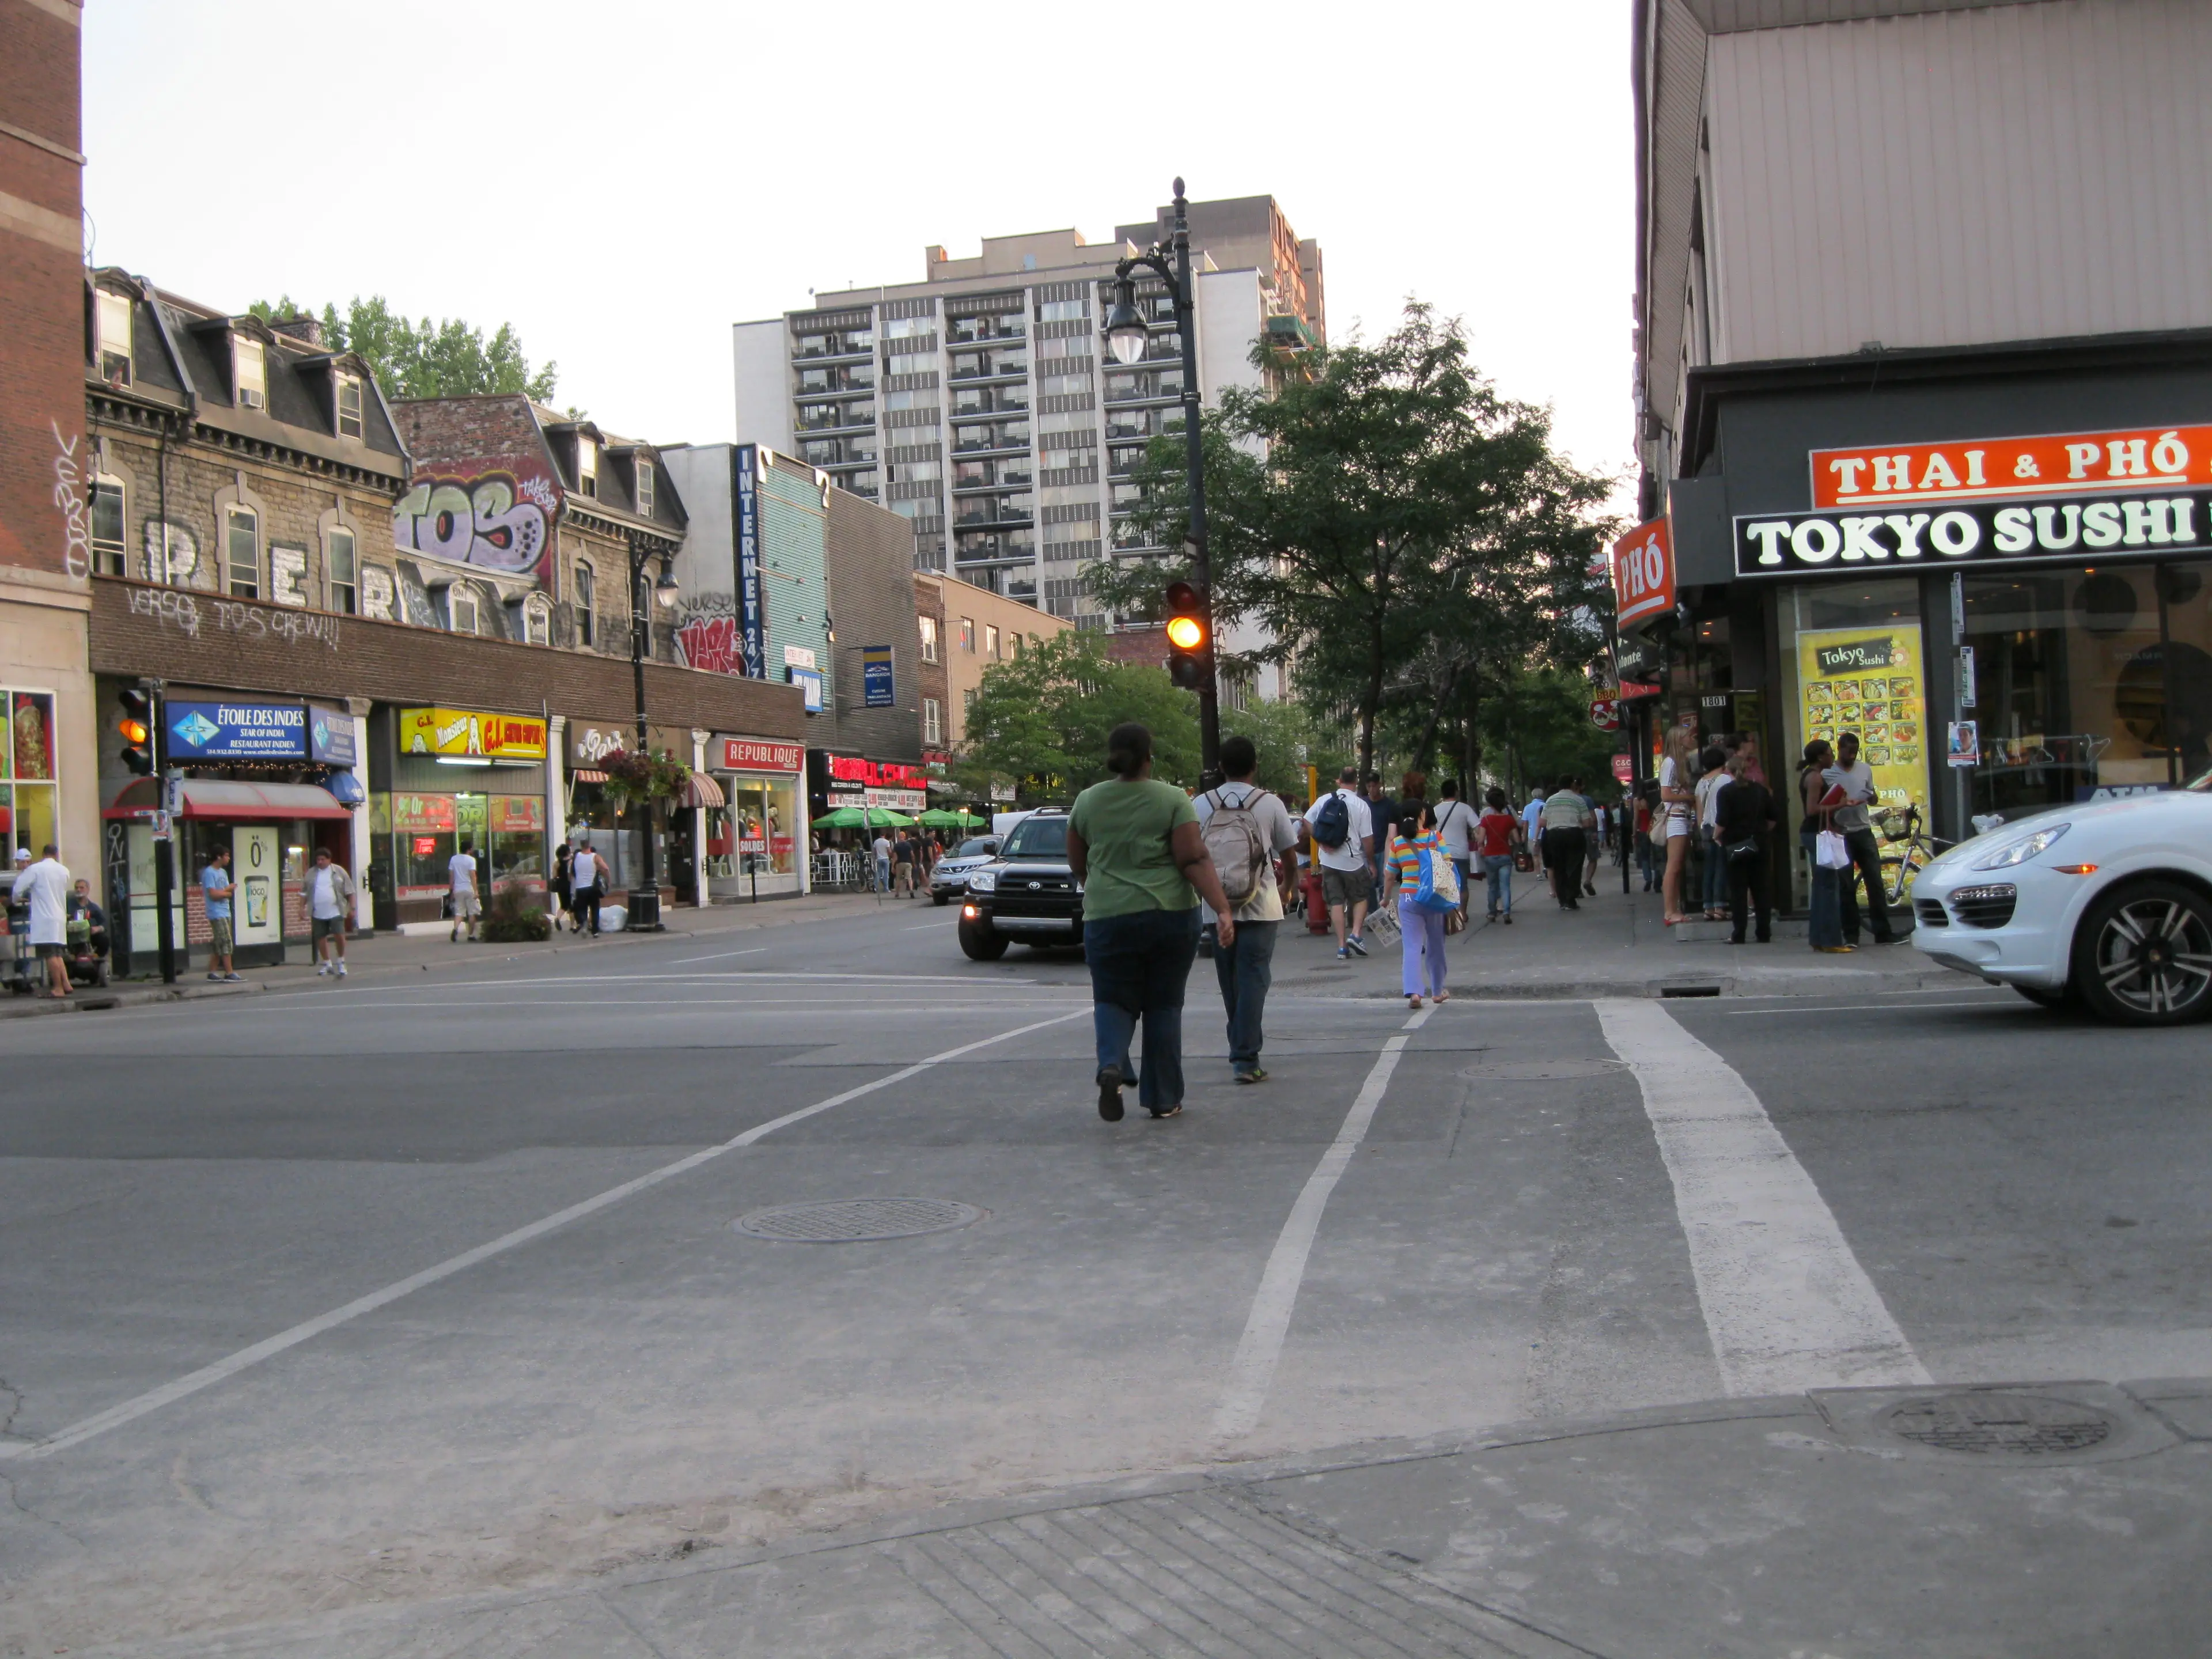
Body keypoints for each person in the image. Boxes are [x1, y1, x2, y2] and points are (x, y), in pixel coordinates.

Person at [1067, 722, 1238, 1122]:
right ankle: (1163, 1099)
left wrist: (1102, 888)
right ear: (1149, 758)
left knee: (1112, 998)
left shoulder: (1087, 802)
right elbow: (1193, 858)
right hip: (1169, 916)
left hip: (1107, 917)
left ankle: (1111, 1062)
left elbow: (1078, 861)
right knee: (1163, 1004)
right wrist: (1223, 909)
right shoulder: (1172, 799)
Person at [1194, 734, 1299, 1083]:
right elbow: (1288, 854)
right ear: (1255, 766)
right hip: (1261, 904)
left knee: (1231, 981)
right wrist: (1288, 886)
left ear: (1221, 768)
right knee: (1254, 978)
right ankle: (1245, 1056)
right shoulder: (1270, 804)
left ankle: (1240, 1043)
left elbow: (1194, 856)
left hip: (1215, 905)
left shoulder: (1201, 804)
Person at [1825, 730, 1900, 945]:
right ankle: (1851, 934)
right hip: (1842, 832)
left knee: (1875, 882)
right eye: (1848, 752)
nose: (1852, 756)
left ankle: (1882, 932)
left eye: (1855, 752)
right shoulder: (1828, 773)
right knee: (1846, 886)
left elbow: (1872, 795)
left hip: (1863, 830)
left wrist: (1872, 797)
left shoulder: (1865, 769)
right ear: (1839, 749)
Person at [1300, 764, 1376, 959]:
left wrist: (1320, 841)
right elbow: (1367, 839)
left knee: (1336, 902)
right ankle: (1356, 934)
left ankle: (1342, 946)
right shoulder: (1361, 805)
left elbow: (1306, 821)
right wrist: (1371, 862)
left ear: (1338, 780)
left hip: (1328, 860)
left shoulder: (1325, 799)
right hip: (1353, 861)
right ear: (1356, 782)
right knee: (1360, 897)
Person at [1384, 804, 1451, 1009]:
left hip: (1409, 898)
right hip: (1433, 897)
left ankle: (1414, 992)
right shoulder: (1434, 837)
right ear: (1422, 815)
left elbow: (1390, 875)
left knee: (1412, 946)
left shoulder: (1397, 843)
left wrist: (1386, 899)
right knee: (1436, 943)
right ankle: (1438, 991)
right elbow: (1449, 864)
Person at [1714, 752, 1777, 944]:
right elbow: (1773, 818)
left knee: (1738, 890)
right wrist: (1761, 831)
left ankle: (1739, 933)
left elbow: (1722, 821)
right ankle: (1764, 932)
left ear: (1729, 771)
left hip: (1736, 844)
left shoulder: (1726, 792)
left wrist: (1715, 836)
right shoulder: (1760, 790)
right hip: (1759, 842)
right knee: (1761, 889)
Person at [1800, 740, 1849, 953]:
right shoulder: (1815, 778)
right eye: (1830, 754)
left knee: (1821, 886)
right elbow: (1812, 809)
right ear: (1820, 757)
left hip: (1814, 833)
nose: (1832, 757)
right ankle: (1831, 940)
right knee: (1828, 886)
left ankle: (1819, 938)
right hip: (1817, 833)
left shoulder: (1811, 775)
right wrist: (1841, 804)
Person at [11, 844, 72, 998]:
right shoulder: (64, 870)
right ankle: (66, 984)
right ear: (56, 855)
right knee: (57, 954)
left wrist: (15, 900)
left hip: (44, 918)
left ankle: (57, 988)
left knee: (50, 955)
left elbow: (18, 889)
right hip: (59, 916)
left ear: (43, 854)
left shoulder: (36, 869)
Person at [1658, 726, 1699, 924]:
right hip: (1676, 817)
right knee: (1673, 866)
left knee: (1676, 865)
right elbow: (1665, 795)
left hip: (1681, 816)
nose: (1693, 739)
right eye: (1688, 736)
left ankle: (1673, 909)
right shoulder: (1670, 763)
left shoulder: (1679, 763)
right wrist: (1689, 797)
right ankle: (1669, 910)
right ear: (1679, 740)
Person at [1540, 779, 1593, 910]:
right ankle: (1571, 899)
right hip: (1574, 834)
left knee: (1559, 867)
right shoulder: (1579, 800)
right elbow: (1587, 823)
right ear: (1572, 785)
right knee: (1574, 866)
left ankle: (1562, 900)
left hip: (1554, 835)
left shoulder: (1550, 800)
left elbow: (1542, 823)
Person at [1695, 745, 1732, 921]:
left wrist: (1701, 829)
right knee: (1721, 866)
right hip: (1721, 827)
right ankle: (1719, 906)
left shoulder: (1701, 783)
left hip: (1705, 827)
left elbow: (1699, 810)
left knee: (1709, 867)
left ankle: (1708, 907)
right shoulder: (1725, 780)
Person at [306, 845, 354, 978]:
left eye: (322, 859)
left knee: (339, 935)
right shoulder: (311, 873)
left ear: (329, 860)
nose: (320, 862)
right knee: (320, 937)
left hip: (336, 909)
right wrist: (301, 908)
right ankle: (327, 963)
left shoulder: (338, 871)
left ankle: (341, 961)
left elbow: (350, 890)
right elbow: (304, 892)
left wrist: (352, 907)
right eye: (318, 860)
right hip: (318, 911)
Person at [1432, 780, 1476, 915]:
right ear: (1456, 791)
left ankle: (1449, 914)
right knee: (1462, 885)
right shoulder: (1465, 808)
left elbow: (1430, 832)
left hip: (1442, 853)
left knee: (1445, 886)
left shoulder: (1435, 810)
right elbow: (1478, 828)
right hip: (1461, 852)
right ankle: (1462, 914)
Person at [1476, 787, 1518, 923]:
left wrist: (1480, 844)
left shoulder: (1486, 819)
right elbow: (1517, 839)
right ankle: (1506, 912)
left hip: (1490, 856)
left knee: (1492, 886)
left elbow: (1481, 839)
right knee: (1505, 885)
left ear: (1490, 805)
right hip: (1505, 855)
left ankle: (1492, 912)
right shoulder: (1509, 819)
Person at [200, 843, 240, 982]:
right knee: (225, 942)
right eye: (226, 856)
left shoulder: (223, 873)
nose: (228, 858)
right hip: (216, 912)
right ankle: (229, 972)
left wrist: (227, 890)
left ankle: (212, 972)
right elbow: (213, 894)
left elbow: (223, 890)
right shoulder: (209, 872)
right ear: (219, 857)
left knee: (218, 943)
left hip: (225, 911)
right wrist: (226, 893)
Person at [1362, 774, 1399, 910]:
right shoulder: (1363, 803)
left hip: (1384, 848)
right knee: (1370, 885)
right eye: (1369, 786)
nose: (1372, 789)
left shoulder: (1390, 805)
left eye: (1374, 786)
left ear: (1379, 785)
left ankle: (1385, 912)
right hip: (1367, 848)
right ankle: (1373, 914)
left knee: (1385, 882)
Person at [68, 878, 109, 962]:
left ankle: (97, 959)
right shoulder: (68, 906)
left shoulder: (93, 907)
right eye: (76, 888)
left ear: (88, 889)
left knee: (104, 939)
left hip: (88, 935)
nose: (79, 890)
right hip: (71, 936)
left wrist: (98, 928)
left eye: (81, 888)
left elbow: (105, 922)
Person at [449, 839, 482, 942]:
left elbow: (451, 876)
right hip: (469, 889)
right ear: (469, 849)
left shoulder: (454, 859)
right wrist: (476, 890)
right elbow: (473, 876)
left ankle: (455, 929)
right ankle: (471, 935)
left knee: (459, 912)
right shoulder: (471, 860)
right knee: (472, 913)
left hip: (458, 889)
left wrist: (452, 890)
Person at [570, 838, 604, 937]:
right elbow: (605, 868)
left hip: (580, 888)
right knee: (595, 909)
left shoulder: (576, 857)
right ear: (589, 845)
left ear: (581, 846)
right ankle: (595, 932)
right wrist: (608, 880)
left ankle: (584, 924)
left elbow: (571, 872)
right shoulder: (595, 857)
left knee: (582, 909)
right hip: (593, 888)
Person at [1521, 789, 1548, 893]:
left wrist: (1524, 835)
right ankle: (1546, 867)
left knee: (1535, 855)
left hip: (1532, 834)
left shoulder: (1527, 807)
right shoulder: (1546, 805)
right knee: (1545, 853)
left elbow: (1525, 823)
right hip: (1545, 833)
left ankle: (1538, 874)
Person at [1634, 788, 1658, 892]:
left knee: (1645, 857)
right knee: (1657, 857)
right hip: (1655, 829)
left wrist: (1634, 833)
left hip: (1643, 830)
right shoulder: (1656, 799)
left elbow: (1636, 819)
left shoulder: (1638, 802)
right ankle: (1658, 881)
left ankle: (1648, 879)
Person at [550, 842, 573, 932]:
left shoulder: (556, 864)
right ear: (567, 852)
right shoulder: (570, 862)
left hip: (560, 885)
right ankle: (572, 925)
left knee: (563, 905)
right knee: (571, 905)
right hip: (569, 885)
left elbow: (554, 876)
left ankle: (557, 918)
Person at [892, 830, 916, 897]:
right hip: (908, 863)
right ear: (905, 837)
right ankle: (911, 890)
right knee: (909, 877)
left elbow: (895, 857)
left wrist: (893, 866)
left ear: (899, 837)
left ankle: (897, 893)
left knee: (898, 879)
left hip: (899, 863)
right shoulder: (908, 845)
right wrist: (914, 863)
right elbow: (912, 855)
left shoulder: (896, 846)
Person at [871, 828, 893, 893]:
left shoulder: (876, 842)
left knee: (878, 873)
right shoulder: (887, 842)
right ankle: (886, 888)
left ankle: (875, 886)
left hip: (879, 859)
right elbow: (889, 851)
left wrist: (875, 857)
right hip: (885, 858)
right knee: (886, 874)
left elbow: (874, 851)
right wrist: (891, 856)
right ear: (885, 835)